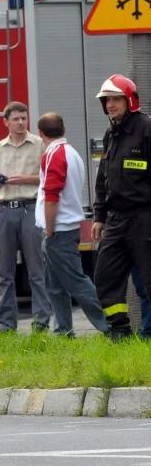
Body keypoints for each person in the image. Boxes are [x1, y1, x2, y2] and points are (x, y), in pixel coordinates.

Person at [34, 112, 108, 336]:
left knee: (77, 282)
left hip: (58, 230)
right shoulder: (71, 153)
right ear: (63, 130)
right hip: (66, 227)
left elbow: (51, 197)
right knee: (54, 284)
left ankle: (110, 327)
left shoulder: (53, 155)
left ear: (40, 134)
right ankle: (63, 330)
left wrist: (49, 230)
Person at [91, 74, 151, 340]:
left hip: (144, 217)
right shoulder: (111, 132)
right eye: (107, 100)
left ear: (129, 101)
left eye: (116, 99)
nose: (111, 104)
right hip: (116, 220)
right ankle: (120, 331)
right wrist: (99, 216)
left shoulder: (146, 128)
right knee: (105, 277)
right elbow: (104, 177)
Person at [0, 101, 51, 333]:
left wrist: (25, 178)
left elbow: (48, 177)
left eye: (24, 118)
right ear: (6, 122)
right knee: (5, 271)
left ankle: (41, 322)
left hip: (30, 208)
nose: (21, 122)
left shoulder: (39, 145)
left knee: (36, 270)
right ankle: (7, 323)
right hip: (4, 210)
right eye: (16, 119)